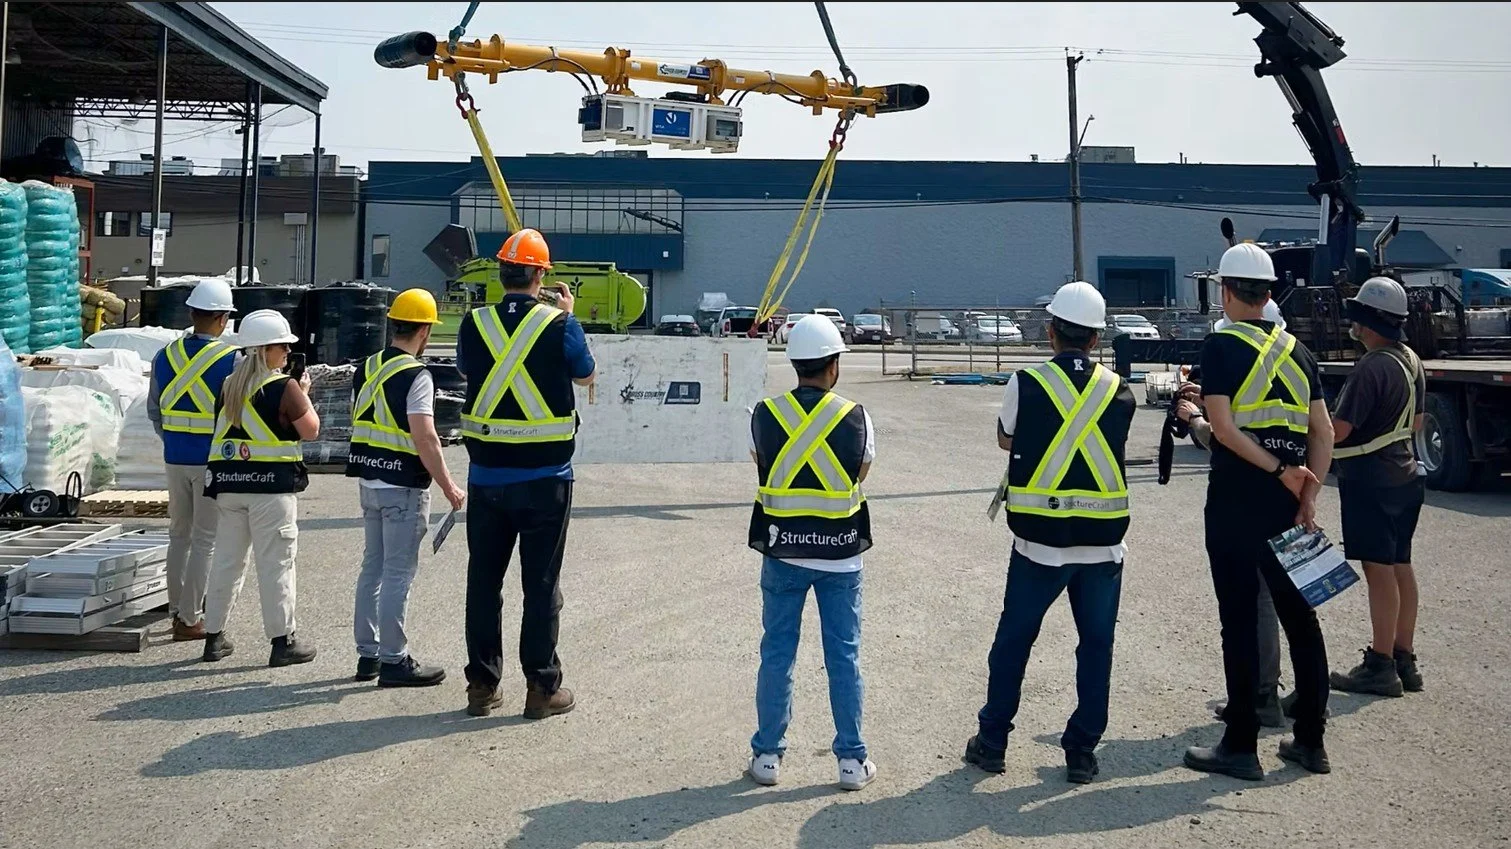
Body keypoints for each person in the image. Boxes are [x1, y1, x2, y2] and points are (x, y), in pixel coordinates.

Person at [964, 281, 1136, 785]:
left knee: (1014, 640)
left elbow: (1006, 437)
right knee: (1096, 646)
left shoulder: (1027, 381)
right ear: (1097, 338)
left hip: (1039, 543)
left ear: (1050, 331)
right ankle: (1081, 751)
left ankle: (992, 742)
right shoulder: (1119, 388)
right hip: (1103, 545)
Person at [1184, 243, 1335, 780]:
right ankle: (1310, 741)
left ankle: (1241, 743)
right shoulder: (1300, 352)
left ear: (1226, 291)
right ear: (1269, 291)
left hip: (1236, 499)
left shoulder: (1221, 345)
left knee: (1240, 620)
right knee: (1301, 620)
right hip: (1290, 501)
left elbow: (1223, 428)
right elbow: (1321, 432)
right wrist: (1306, 491)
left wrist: (1274, 470)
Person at [456, 228, 596, 719]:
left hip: (487, 478)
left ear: (501, 273)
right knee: (540, 585)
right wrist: (568, 318)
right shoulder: (560, 325)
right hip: (546, 479)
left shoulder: (475, 324)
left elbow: (466, 370)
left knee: (483, 583)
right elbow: (585, 374)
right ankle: (541, 687)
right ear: (541, 274)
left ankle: (482, 686)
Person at [746, 315, 877, 791]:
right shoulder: (856, 416)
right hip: (841, 554)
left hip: (781, 551)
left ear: (793, 362)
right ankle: (851, 760)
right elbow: (860, 474)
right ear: (834, 365)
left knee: (777, 653)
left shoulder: (764, 414)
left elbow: (763, 466)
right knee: (843, 655)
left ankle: (767, 756)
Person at [347, 288, 467, 688]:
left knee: (373, 568)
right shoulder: (417, 375)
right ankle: (394, 661)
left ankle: (368, 655)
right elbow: (426, 437)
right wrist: (449, 486)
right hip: (402, 485)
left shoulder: (369, 366)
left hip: (369, 479)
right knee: (398, 573)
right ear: (425, 332)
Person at [1181, 300, 1290, 729]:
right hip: (1285, 491)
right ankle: (1286, 704)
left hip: (1244, 494)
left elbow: (1230, 436)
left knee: (1251, 601)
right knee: (1287, 603)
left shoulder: (1235, 354)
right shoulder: (1292, 361)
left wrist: (1195, 420)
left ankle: (1257, 699)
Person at [200, 309, 321, 667]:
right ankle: (283, 642)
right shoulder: (284, 388)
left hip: (230, 486)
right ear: (263, 350)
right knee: (277, 565)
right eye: (282, 346)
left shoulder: (228, 387)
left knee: (226, 562)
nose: (286, 352)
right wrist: (304, 392)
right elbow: (311, 430)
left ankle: (214, 637)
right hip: (272, 490)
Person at [1328, 277, 1427, 697]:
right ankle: (1404, 658)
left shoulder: (1371, 366)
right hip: (1406, 477)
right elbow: (1417, 422)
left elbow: (1339, 430)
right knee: (1400, 565)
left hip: (1371, 480)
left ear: (1365, 322)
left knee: (1378, 571)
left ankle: (1380, 664)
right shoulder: (1410, 360)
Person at [147, 278, 239, 641]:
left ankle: (176, 611)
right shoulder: (232, 360)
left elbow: (154, 410)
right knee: (205, 540)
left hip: (174, 457)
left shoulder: (164, 355)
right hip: (210, 462)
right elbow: (236, 416)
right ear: (222, 319)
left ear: (192, 313)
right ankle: (190, 618)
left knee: (179, 536)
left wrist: (173, 440)